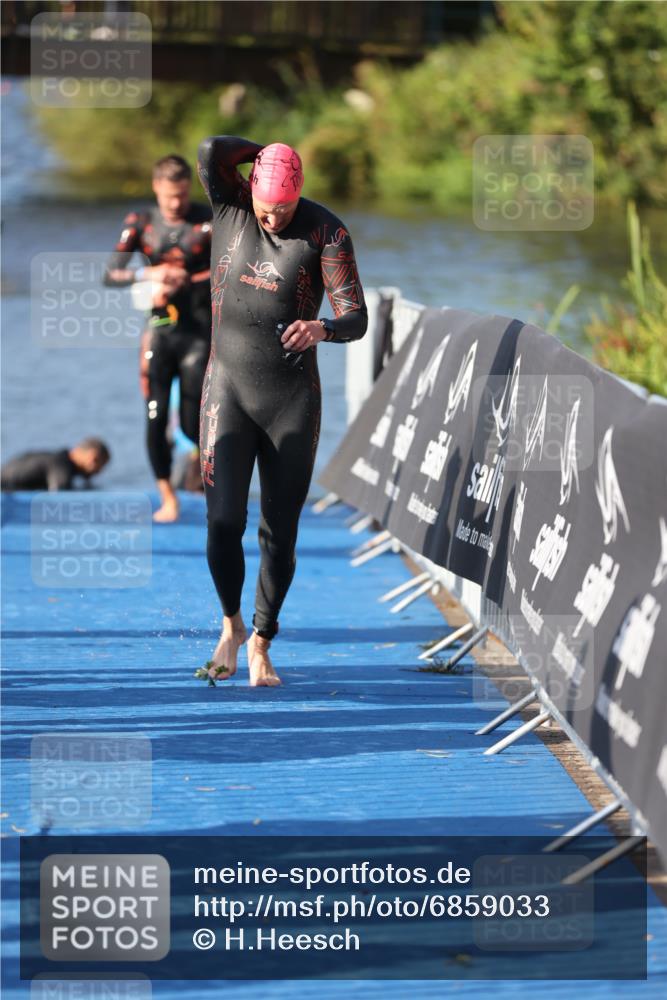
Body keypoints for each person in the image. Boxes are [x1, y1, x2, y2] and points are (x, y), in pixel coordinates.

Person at [197, 136, 367, 686]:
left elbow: (356, 316)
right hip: (227, 389)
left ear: (299, 197)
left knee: (281, 531)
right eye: (265, 208)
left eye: (283, 209)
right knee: (224, 522)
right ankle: (231, 624)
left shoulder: (325, 232)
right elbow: (209, 149)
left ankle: (263, 643)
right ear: (250, 189)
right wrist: (264, 151)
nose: (272, 218)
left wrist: (323, 327)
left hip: (290, 399)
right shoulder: (231, 205)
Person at [104, 155, 212, 522]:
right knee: (154, 416)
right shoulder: (141, 223)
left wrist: (184, 278)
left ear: (189, 189)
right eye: (169, 197)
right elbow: (110, 273)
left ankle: (205, 469)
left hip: (199, 332)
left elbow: (232, 268)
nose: (176, 204)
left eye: (181, 195)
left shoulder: (207, 222)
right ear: (156, 189)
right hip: (159, 333)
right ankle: (168, 497)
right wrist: (149, 277)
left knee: (191, 422)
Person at [1, 438, 110, 491]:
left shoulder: (55, 460)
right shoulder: (61, 465)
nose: (97, 471)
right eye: (96, 462)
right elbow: (58, 496)